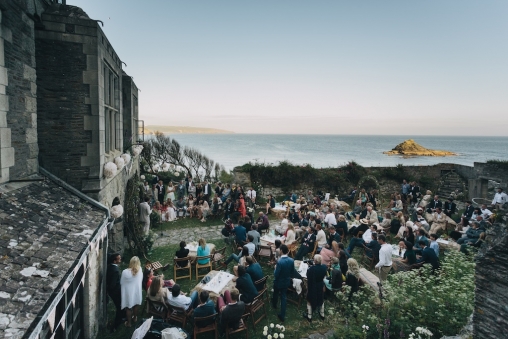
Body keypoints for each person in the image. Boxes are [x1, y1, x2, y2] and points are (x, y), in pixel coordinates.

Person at [272, 244, 297, 322]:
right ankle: (282, 315)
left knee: (275, 293)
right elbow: (292, 272)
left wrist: (275, 269)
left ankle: (274, 304)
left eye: (279, 250)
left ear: (282, 251)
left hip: (278, 281)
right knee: (283, 297)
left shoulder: (280, 262)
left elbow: (276, 274)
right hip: (286, 281)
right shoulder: (291, 260)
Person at [302, 254, 327, 322]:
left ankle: (309, 316)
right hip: (320, 284)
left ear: (315, 261)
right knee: (321, 298)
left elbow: (308, 276)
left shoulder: (312, 269)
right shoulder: (324, 267)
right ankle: (322, 314)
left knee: (309, 299)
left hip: (313, 285)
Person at [120, 256, 143, 327]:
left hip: (128, 293)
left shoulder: (125, 272)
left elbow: (121, 282)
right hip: (136, 292)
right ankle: (135, 318)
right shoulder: (140, 270)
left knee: (128, 307)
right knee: (136, 304)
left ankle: (129, 323)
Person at [106, 253, 123, 331]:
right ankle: (116, 325)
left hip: (114, 291)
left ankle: (123, 317)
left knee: (121, 306)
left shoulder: (111, 267)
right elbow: (112, 284)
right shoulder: (115, 270)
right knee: (119, 307)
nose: (120, 259)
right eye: (119, 258)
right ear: (114, 261)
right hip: (115, 292)